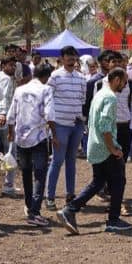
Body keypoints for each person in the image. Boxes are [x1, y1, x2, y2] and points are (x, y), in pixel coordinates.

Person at [56, 68, 132, 234]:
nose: (125, 85)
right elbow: (105, 126)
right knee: (118, 181)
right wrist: (113, 149)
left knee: (98, 182)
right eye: (124, 81)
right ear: (117, 79)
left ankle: (70, 210)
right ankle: (113, 219)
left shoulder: (100, 94)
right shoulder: (110, 98)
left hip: (95, 146)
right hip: (105, 148)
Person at [6, 63, 51, 227]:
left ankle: (28, 205)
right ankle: (34, 212)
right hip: (38, 137)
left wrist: (11, 132)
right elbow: (49, 114)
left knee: (25, 173)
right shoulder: (46, 90)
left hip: (21, 138)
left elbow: (12, 114)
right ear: (46, 77)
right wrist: (54, 135)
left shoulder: (20, 89)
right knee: (39, 174)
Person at [45, 45, 87, 211]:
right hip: (60, 125)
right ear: (62, 59)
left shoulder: (81, 78)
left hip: (76, 124)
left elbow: (82, 100)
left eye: (73, 56)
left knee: (71, 161)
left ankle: (70, 195)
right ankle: (50, 197)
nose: (71, 59)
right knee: (57, 161)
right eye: (67, 56)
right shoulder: (54, 77)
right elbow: (48, 100)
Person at [0, 57, 19, 197]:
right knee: (11, 153)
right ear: (3, 66)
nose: (13, 68)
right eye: (10, 65)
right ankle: (8, 186)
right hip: (4, 122)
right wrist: (3, 114)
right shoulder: (6, 79)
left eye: (14, 65)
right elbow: (2, 99)